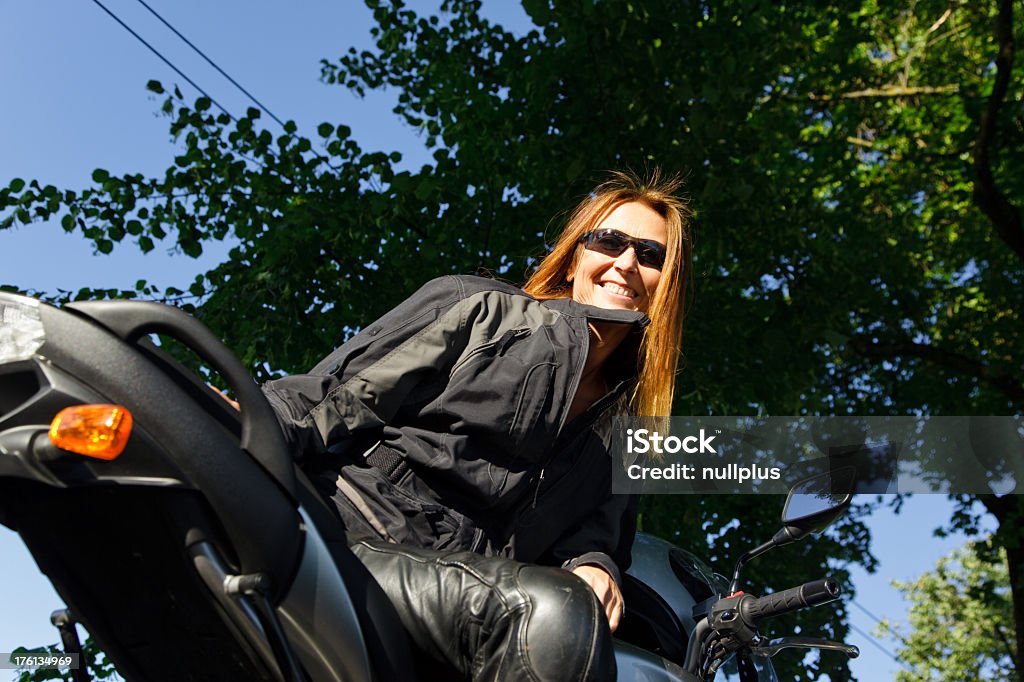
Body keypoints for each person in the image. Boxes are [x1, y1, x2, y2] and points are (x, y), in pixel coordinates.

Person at [261, 169, 692, 681]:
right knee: (547, 618)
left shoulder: (629, 427)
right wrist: (245, 424)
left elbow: (598, 536)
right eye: (610, 241)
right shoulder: (483, 309)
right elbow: (335, 397)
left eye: (650, 254)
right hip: (354, 537)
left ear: (668, 282)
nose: (625, 263)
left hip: (468, 601)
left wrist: (595, 566)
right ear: (577, 255)